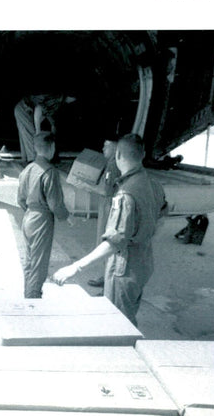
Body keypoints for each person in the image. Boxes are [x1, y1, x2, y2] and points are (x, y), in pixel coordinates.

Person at [52, 134, 166, 327]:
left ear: (118, 155)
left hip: (125, 267)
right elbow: (162, 217)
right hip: (145, 261)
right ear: (143, 154)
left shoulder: (125, 194)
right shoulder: (153, 184)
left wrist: (76, 267)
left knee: (118, 324)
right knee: (128, 314)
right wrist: (143, 236)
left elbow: (114, 243)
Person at [17, 132, 71, 298]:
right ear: (52, 148)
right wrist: (66, 216)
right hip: (42, 219)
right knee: (39, 264)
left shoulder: (27, 170)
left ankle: (28, 293)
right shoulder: (49, 171)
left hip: (28, 217)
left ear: (34, 148)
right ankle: (33, 298)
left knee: (29, 260)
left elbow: (20, 199)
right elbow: (55, 203)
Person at [88, 139, 122, 288]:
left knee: (105, 242)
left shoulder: (112, 165)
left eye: (106, 146)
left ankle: (107, 282)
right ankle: (107, 278)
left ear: (114, 148)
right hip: (110, 204)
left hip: (108, 205)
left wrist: (86, 185)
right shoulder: (115, 163)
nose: (103, 149)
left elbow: (106, 190)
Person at [14, 93, 76, 163]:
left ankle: (27, 162)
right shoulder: (55, 99)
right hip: (23, 109)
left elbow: (52, 122)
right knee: (32, 138)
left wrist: (53, 137)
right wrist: (38, 132)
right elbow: (38, 109)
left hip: (25, 110)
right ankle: (35, 163)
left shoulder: (59, 103)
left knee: (26, 136)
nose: (73, 101)